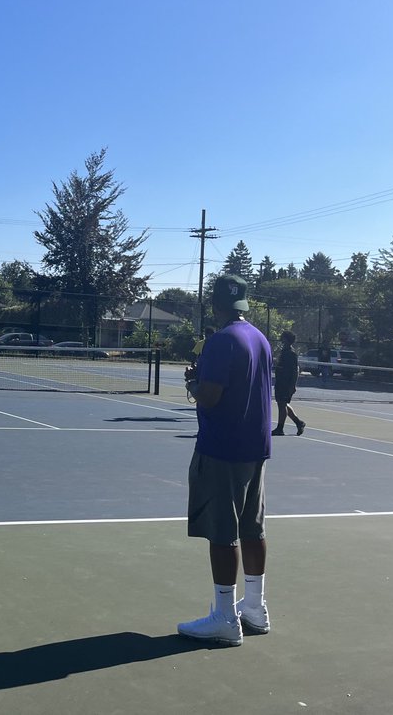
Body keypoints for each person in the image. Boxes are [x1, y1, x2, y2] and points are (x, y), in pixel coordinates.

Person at [178, 274, 273, 647]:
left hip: (222, 450)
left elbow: (211, 396)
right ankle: (255, 608)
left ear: (214, 305)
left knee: (222, 534)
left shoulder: (220, 341)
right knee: (253, 529)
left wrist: (193, 384)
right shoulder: (260, 338)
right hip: (255, 449)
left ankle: (225, 619)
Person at [272, 330, 305, 436]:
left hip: (286, 383)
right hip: (280, 381)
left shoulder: (291, 353)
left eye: (283, 337)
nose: (281, 338)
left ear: (286, 339)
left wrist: (293, 385)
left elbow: (295, 370)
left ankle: (280, 428)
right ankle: (299, 423)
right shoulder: (283, 351)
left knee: (282, 405)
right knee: (283, 404)